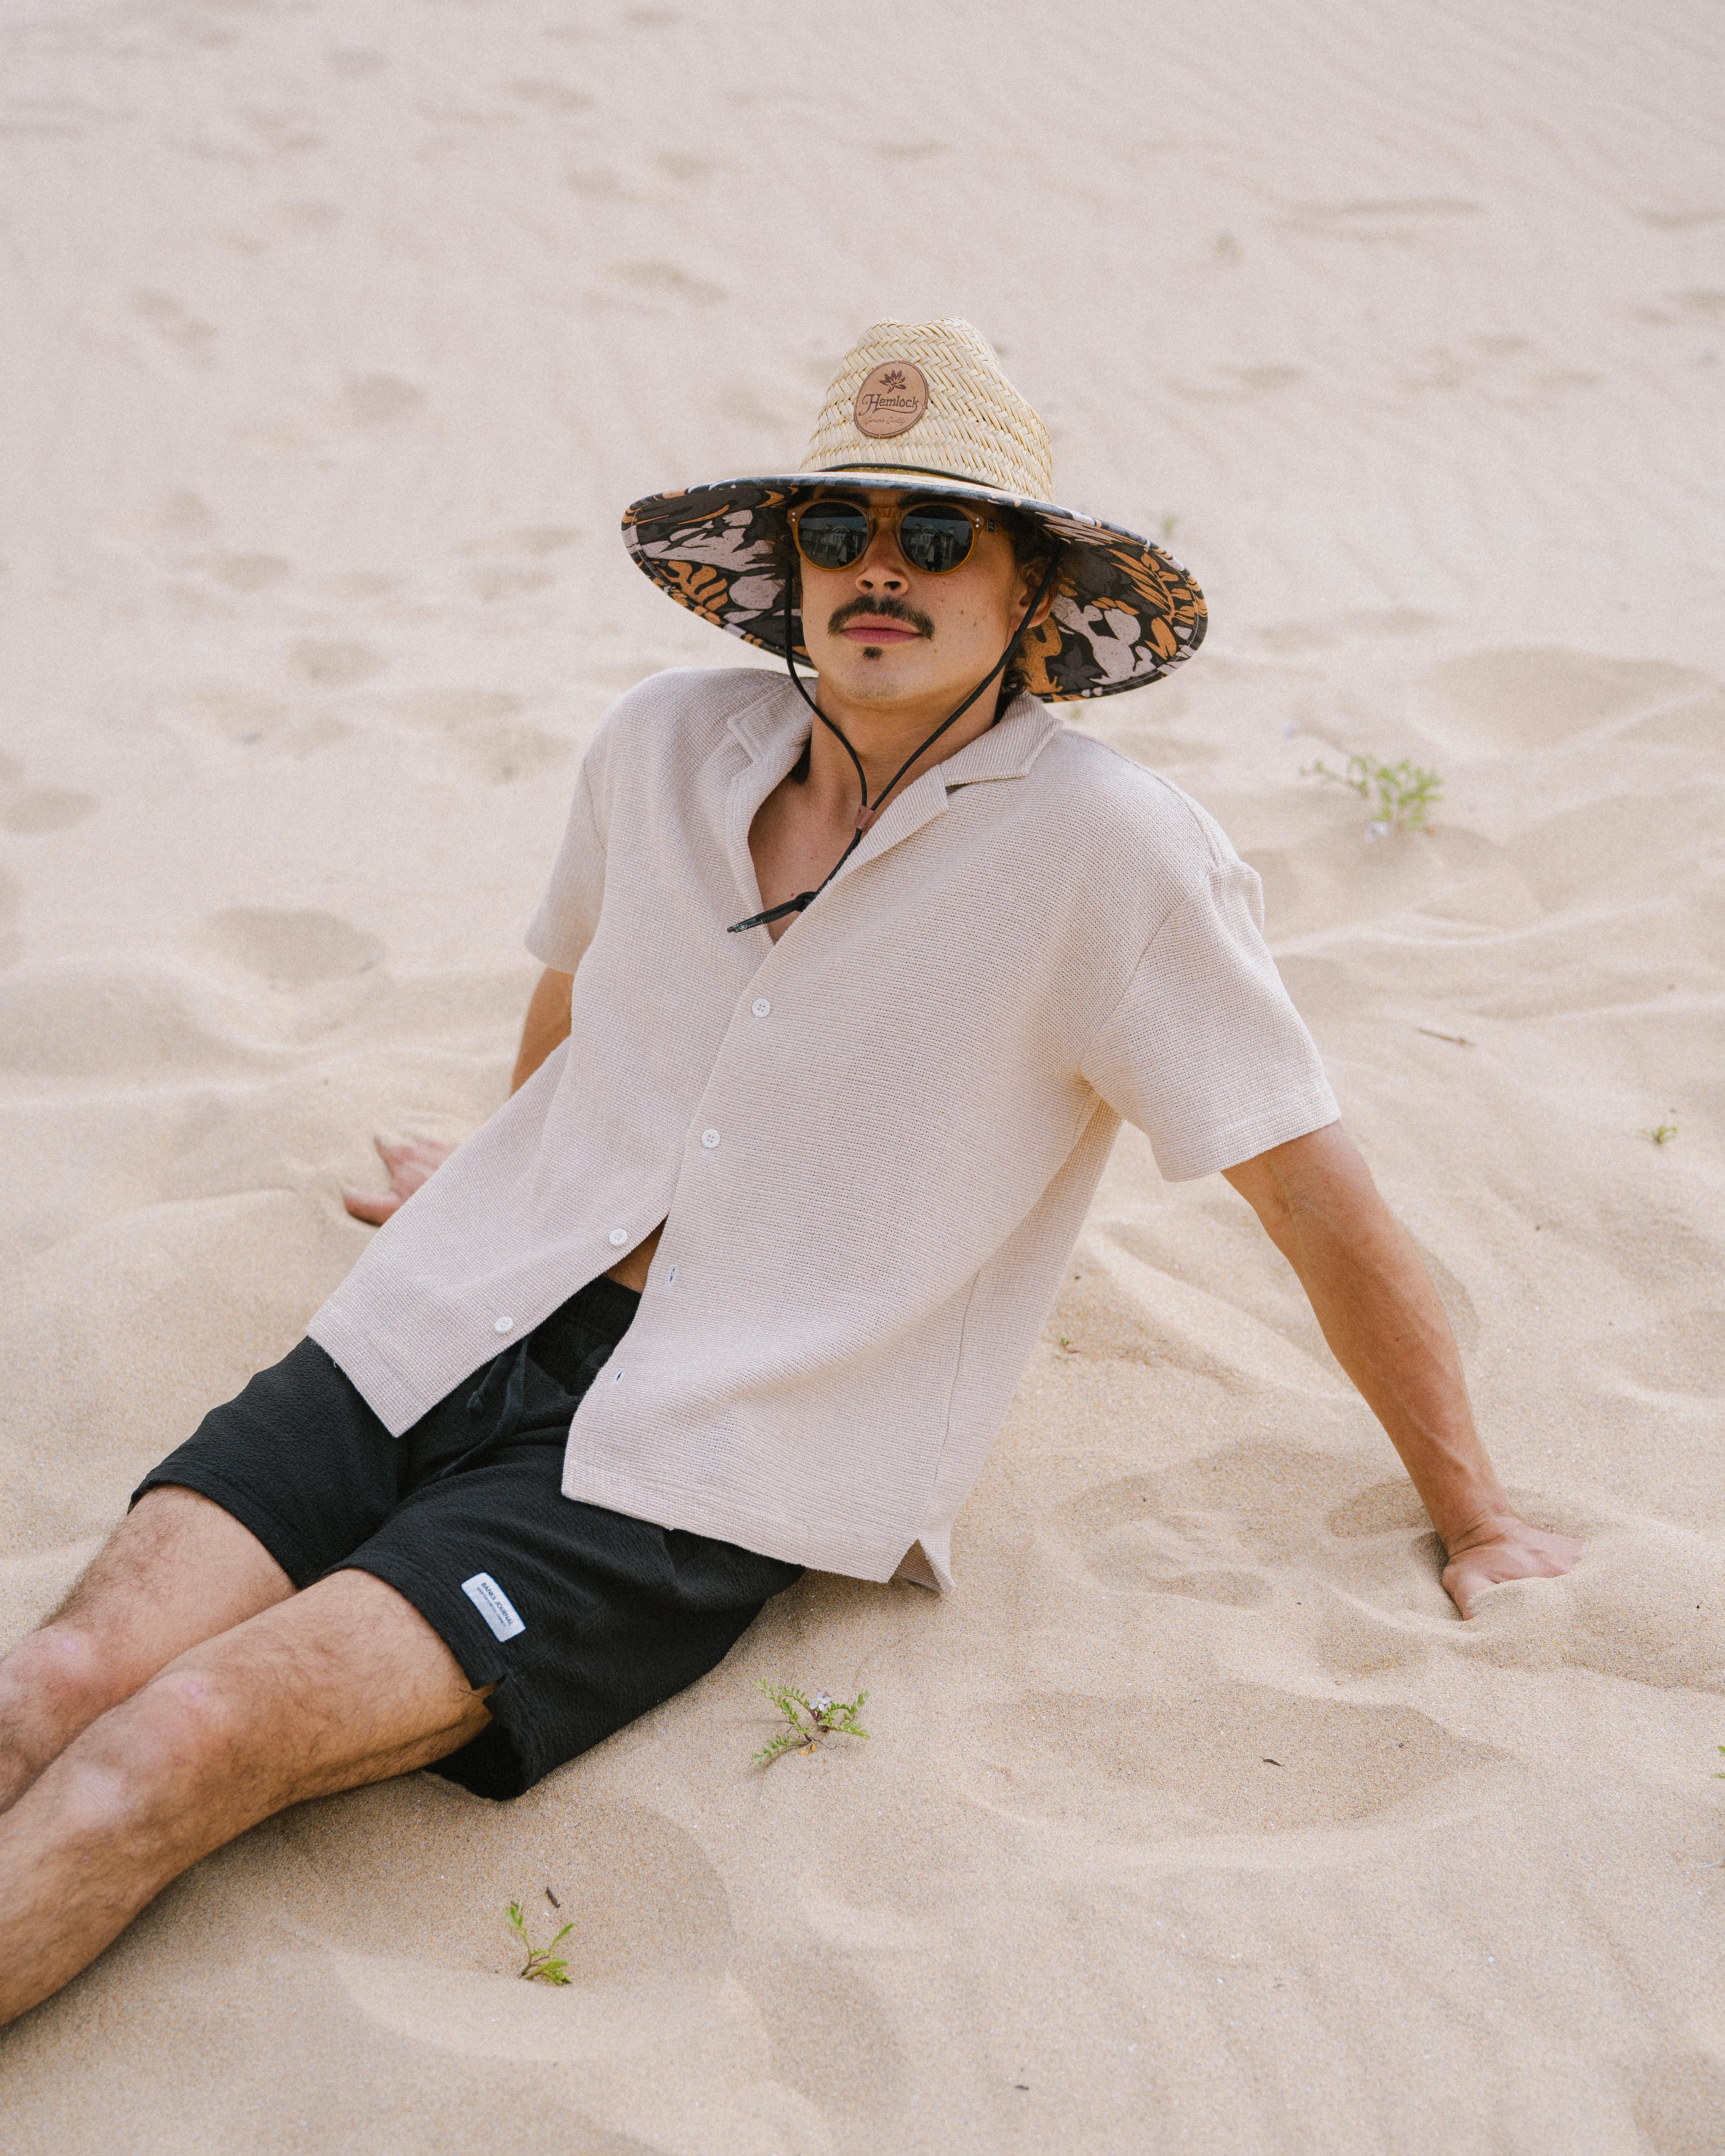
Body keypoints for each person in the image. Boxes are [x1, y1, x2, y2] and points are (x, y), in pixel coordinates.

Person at [0, 319, 1578, 2023]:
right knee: (56, 1682)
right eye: (838, 531)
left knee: (176, 1739)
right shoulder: (660, 747)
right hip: (445, 1310)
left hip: (703, 1447)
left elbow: (1313, 1199)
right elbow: (586, 981)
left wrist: (1477, 1519)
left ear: (1031, 595)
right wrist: (518, 1167)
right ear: (792, 574)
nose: (877, 569)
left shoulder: (1114, 857)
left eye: (934, 534)